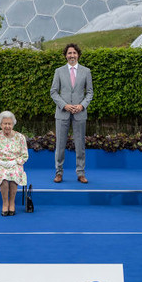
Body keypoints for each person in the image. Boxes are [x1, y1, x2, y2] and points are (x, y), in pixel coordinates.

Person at [50, 43, 93, 184]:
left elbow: (90, 92)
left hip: (80, 113)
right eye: (69, 53)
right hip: (62, 113)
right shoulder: (59, 71)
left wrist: (82, 105)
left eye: (74, 53)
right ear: (66, 56)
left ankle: (80, 173)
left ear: (78, 55)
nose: (72, 55)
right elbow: (53, 92)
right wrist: (65, 105)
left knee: (80, 145)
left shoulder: (86, 71)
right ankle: (58, 172)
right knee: (60, 145)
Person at [0, 111, 29, 216]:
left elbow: (25, 155)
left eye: (9, 124)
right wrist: (0, 162)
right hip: (0, 164)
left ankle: (12, 203)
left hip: (15, 163)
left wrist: (15, 161)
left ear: (13, 124)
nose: (7, 126)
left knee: (14, 173)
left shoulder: (20, 137)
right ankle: (5, 203)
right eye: (5, 123)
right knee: (4, 176)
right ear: (0, 124)